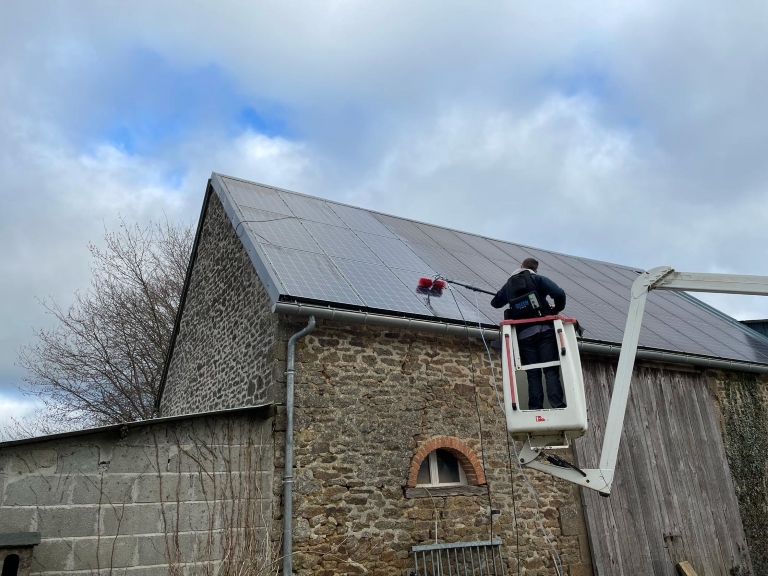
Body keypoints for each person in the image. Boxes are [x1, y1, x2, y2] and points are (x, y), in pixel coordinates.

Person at [491, 258, 567, 409]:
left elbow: (495, 303)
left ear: (520, 266)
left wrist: (510, 295)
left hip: (524, 335)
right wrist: (557, 309)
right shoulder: (538, 279)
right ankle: (557, 405)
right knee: (550, 370)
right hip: (545, 331)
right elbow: (559, 293)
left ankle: (535, 407)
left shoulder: (509, 284)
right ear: (535, 270)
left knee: (533, 373)